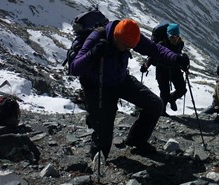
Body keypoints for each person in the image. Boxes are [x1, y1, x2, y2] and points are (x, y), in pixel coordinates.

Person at [70, 18, 190, 159]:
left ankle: (136, 140)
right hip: (98, 86)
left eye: (130, 47)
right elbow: (74, 68)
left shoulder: (130, 34)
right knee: (104, 132)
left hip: (121, 80)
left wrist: (176, 58)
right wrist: (94, 52)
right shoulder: (96, 38)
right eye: (126, 47)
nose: (128, 49)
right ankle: (97, 160)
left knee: (155, 104)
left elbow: (154, 48)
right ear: (116, 38)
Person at [150, 23, 187, 115]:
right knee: (164, 93)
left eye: (176, 36)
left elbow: (178, 55)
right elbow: (153, 56)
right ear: (168, 35)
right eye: (172, 37)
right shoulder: (162, 44)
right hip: (162, 69)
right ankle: (162, 112)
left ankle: (172, 99)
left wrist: (184, 66)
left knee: (182, 89)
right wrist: (146, 65)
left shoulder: (180, 44)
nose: (175, 39)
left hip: (174, 68)